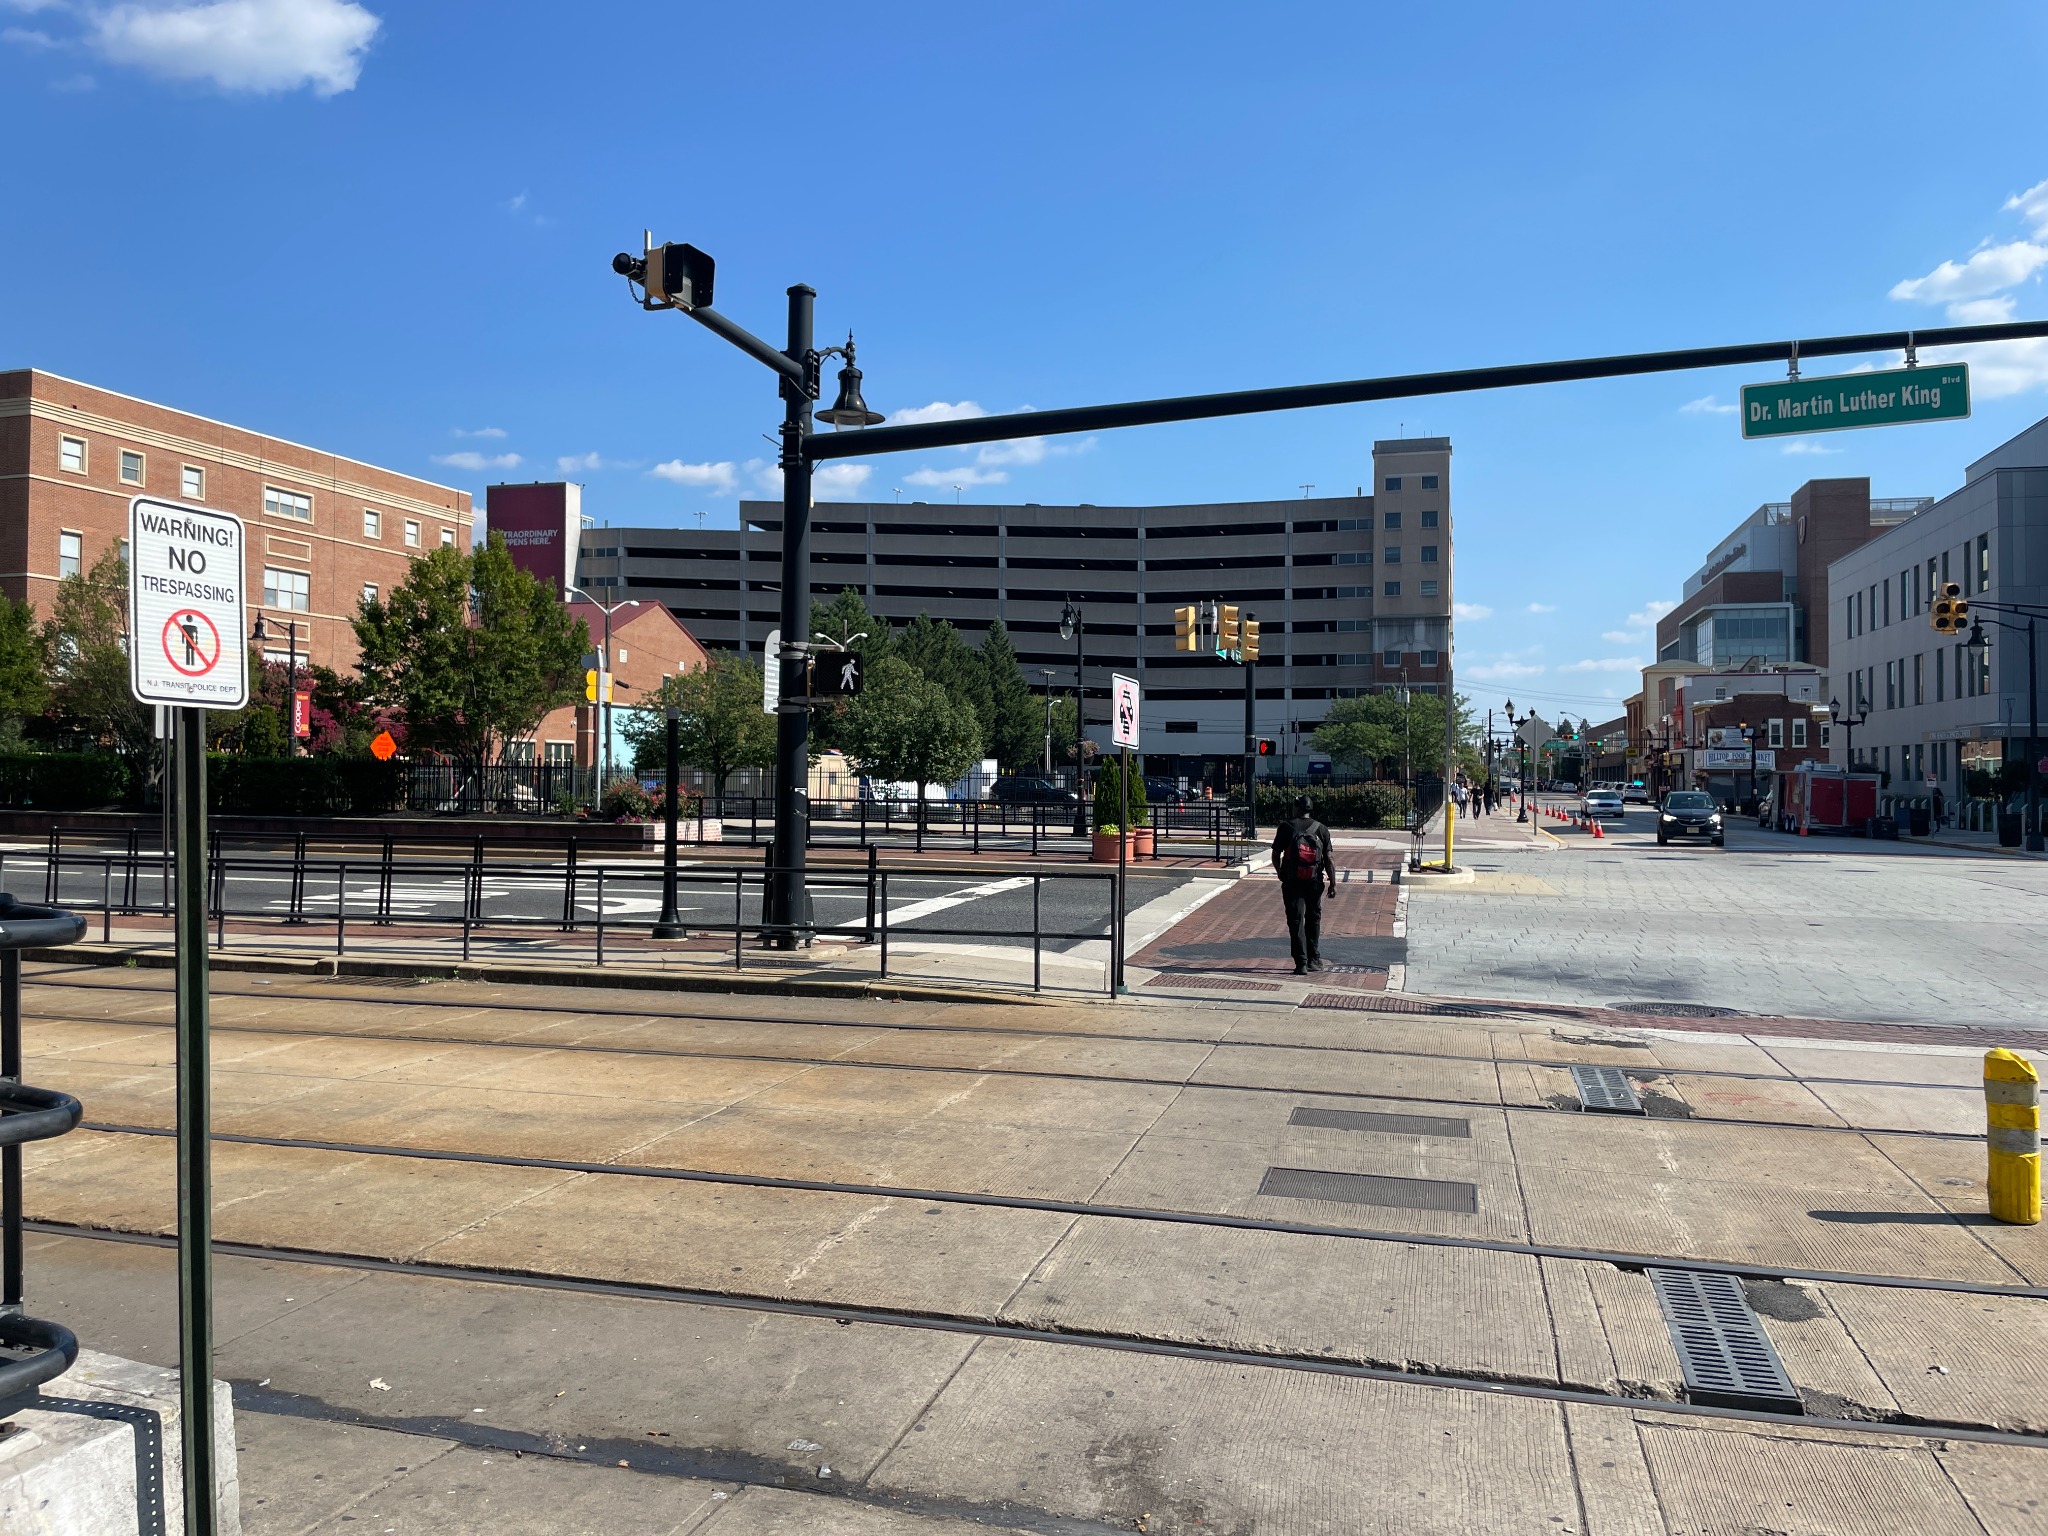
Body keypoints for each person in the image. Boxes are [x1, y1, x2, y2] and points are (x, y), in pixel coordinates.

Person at [1270, 794, 1336, 975]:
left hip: (1292, 881)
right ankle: (1314, 959)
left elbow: (1275, 854)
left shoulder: (1286, 827)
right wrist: (1333, 883)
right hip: (1314, 881)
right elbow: (1328, 858)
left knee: (1296, 920)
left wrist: (1280, 872)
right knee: (1313, 918)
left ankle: (1301, 963)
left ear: (1298, 808)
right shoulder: (1321, 829)